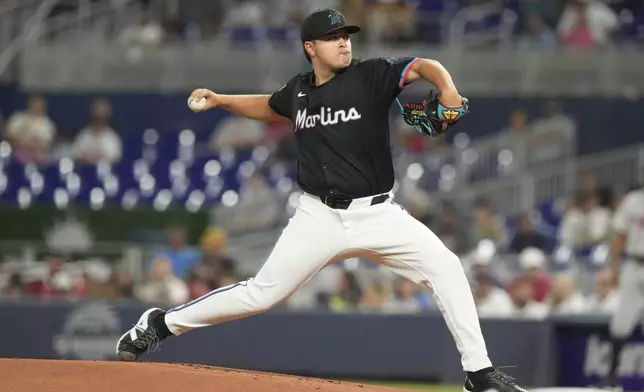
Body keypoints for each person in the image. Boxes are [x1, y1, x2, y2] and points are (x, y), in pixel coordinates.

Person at [116, 9, 526, 392]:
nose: (344, 43)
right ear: (311, 47)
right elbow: (268, 106)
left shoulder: (371, 75)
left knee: (447, 267)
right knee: (261, 294)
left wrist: (448, 89)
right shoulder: (298, 91)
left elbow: (422, 66)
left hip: (378, 213)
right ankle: (161, 323)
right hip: (319, 216)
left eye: (345, 36)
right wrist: (223, 100)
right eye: (332, 38)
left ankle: (479, 372)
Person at [600, 186, 644, 390]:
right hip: (635, 264)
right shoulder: (634, 200)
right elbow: (619, 234)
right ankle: (612, 376)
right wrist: (615, 267)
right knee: (621, 322)